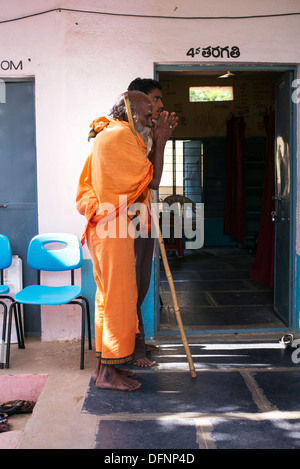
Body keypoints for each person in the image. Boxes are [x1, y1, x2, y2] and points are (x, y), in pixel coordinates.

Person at [76, 91, 177, 391]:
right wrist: (160, 140)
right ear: (129, 112)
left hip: (107, 229)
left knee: (109, 299)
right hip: (112, 230)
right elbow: (153, 179)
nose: (150, 120)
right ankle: (108, 374)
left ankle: (102, 370)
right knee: (119, 300)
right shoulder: (118, 136)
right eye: (146, 116)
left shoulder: (110, 133)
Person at [128, 78, 177, 367]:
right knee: (132, 283)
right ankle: (133, 347)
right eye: (155, 100)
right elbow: (153, 180)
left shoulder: (145, 132)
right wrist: (160, 141)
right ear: (139, 102)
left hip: (143, 216)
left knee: (142, 282)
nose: (159, 106)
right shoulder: (128, 135)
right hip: (127, 219)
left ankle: (138, 339)